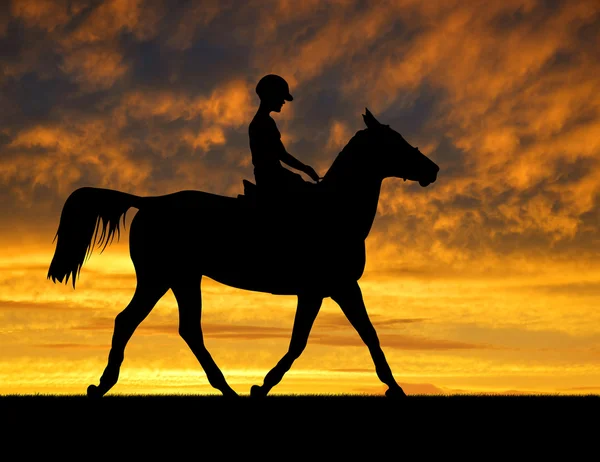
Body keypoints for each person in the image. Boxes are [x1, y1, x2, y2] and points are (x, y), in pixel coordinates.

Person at [248, 74, 320, 206]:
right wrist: (305, 169)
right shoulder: (264, 122)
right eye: (282, 97)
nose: (283, 102)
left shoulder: (261, 121)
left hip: (270, 176)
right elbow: (281, 154)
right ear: (272, 95)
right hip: (272, 178)